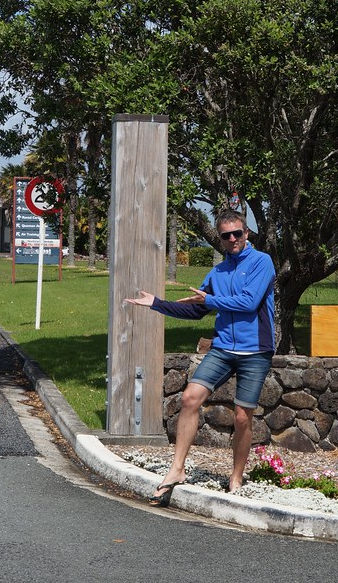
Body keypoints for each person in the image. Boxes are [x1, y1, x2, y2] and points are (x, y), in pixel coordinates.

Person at [124, 209, 276, 506]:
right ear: (219, 239)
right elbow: (197, 309)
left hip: (255, 350)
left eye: (238, 233)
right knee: (189, 398)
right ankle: (177, 469)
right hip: (222, 348)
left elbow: (248, 302)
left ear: (247, 234)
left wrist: (210, 300)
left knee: (243, 417)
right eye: (226, 235)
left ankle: (236, 477)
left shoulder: (262, 262)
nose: (232, 239)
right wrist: (157, 303)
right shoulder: (217, 272)